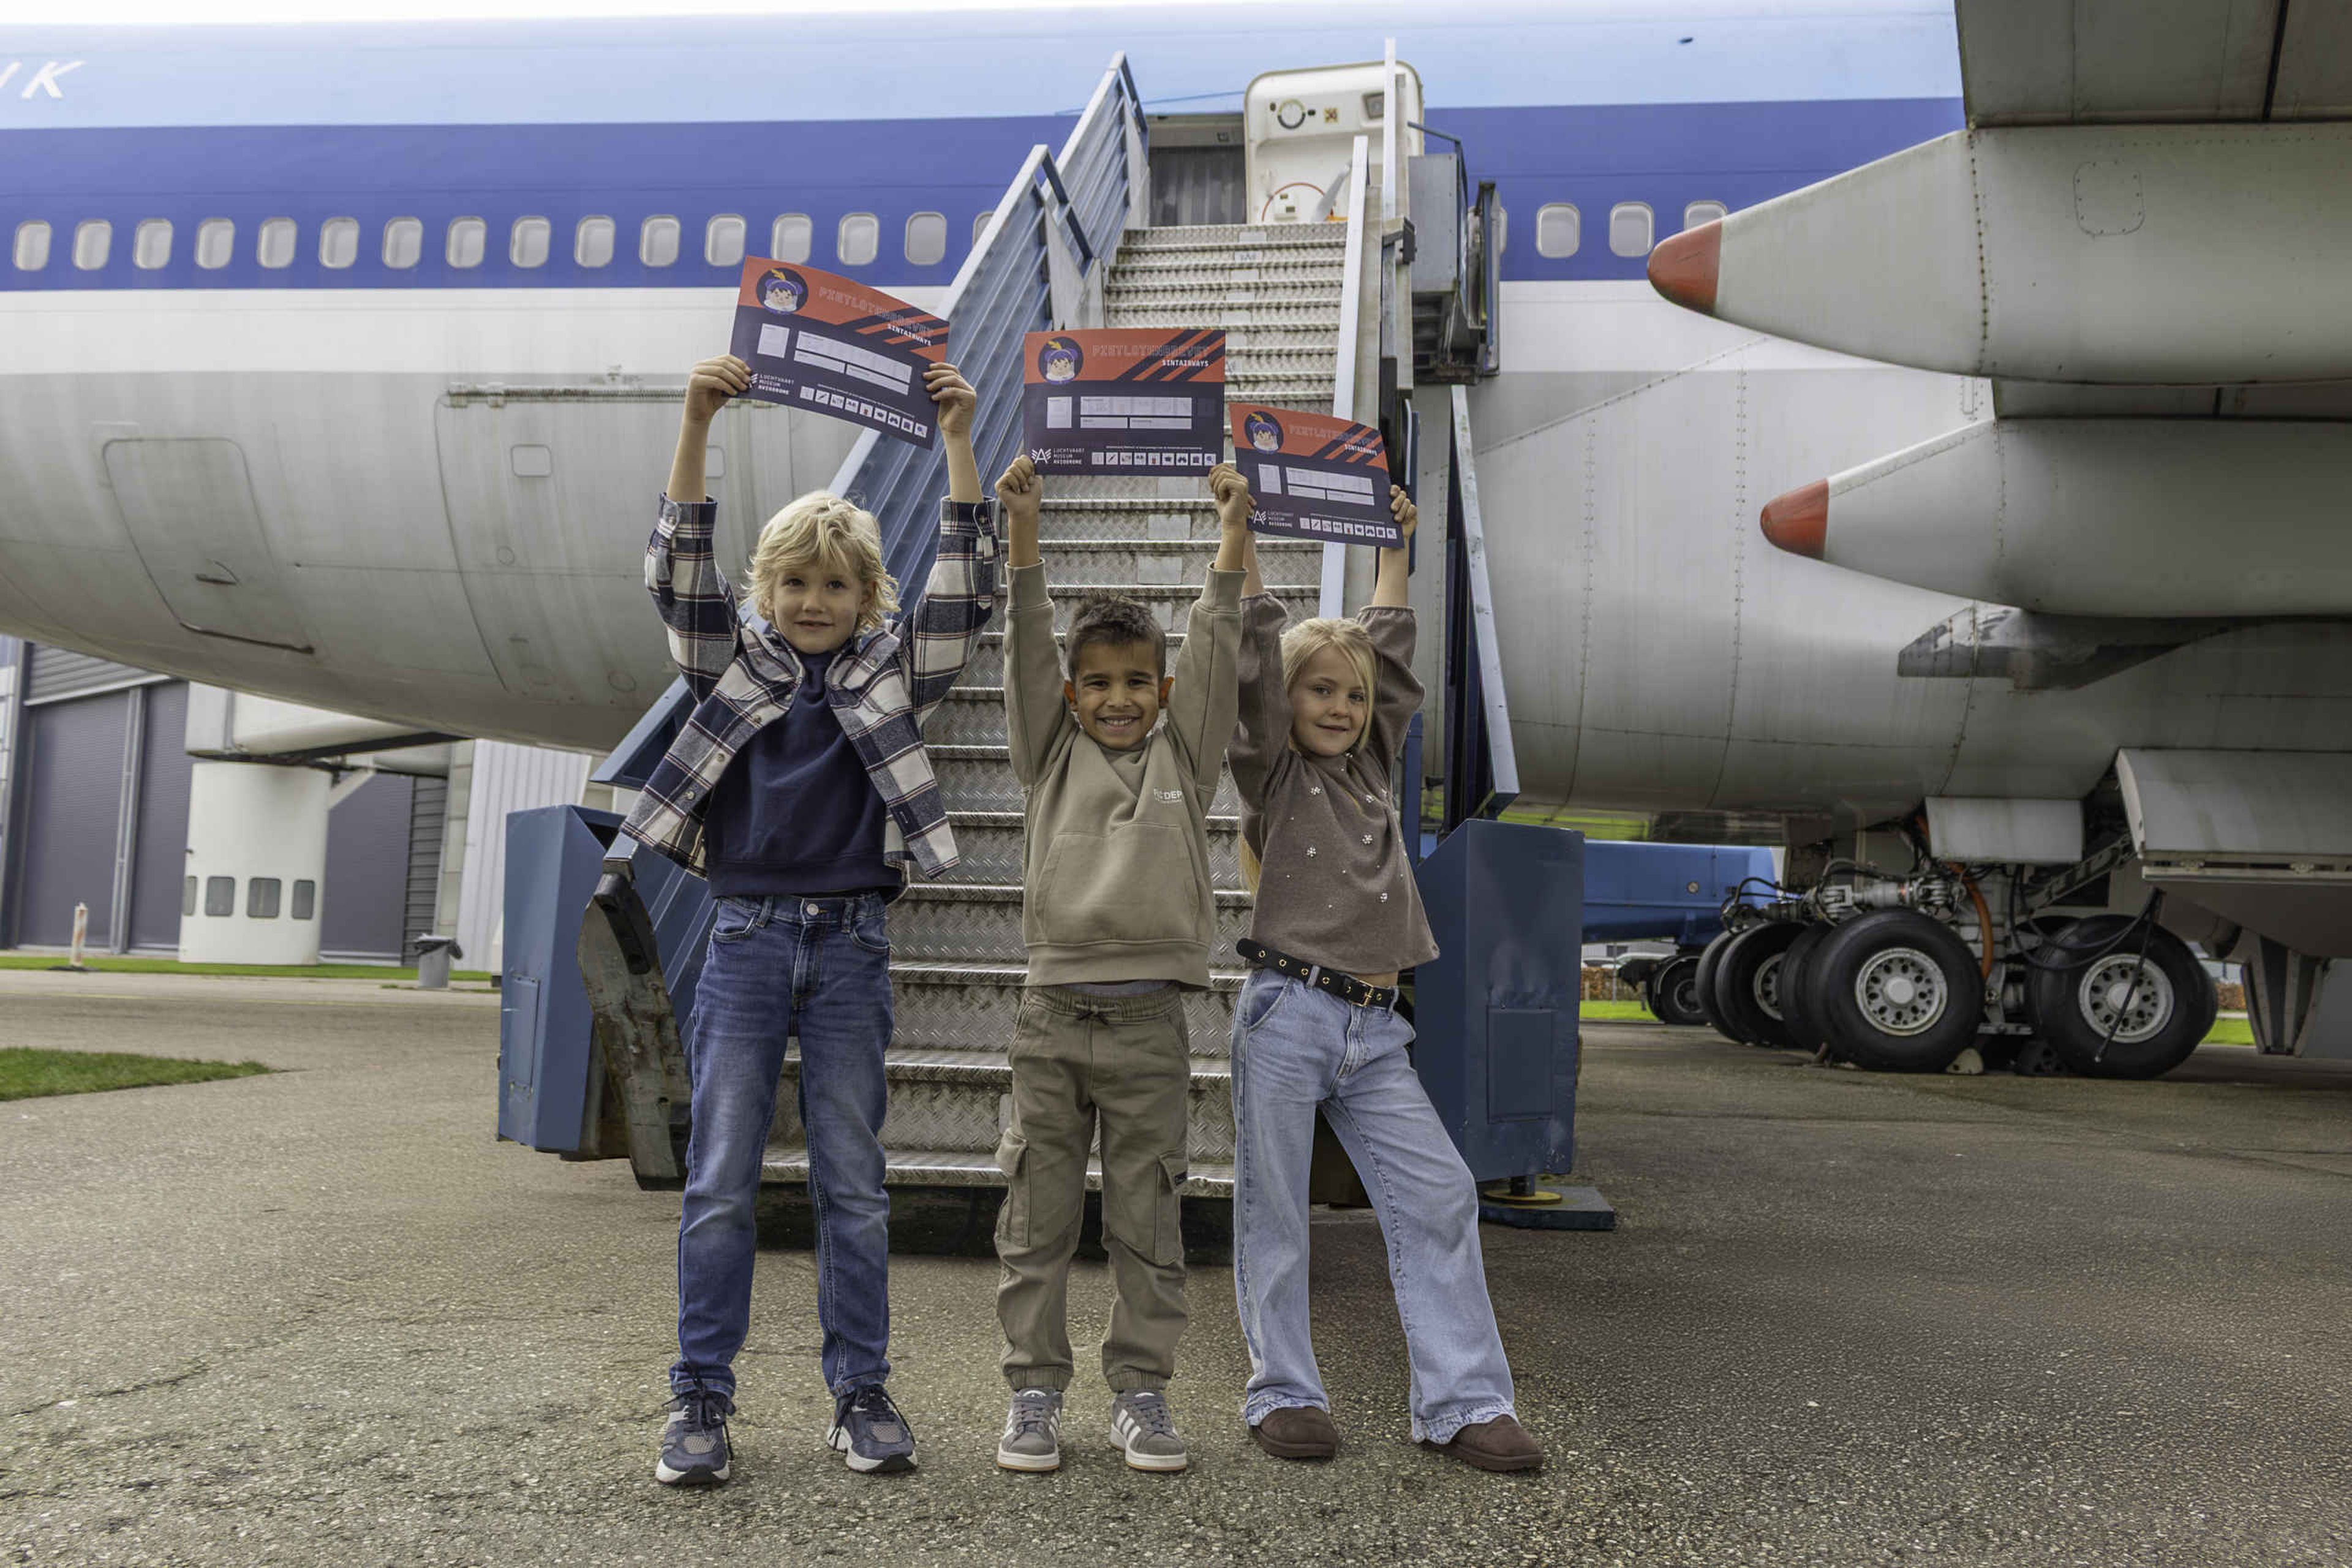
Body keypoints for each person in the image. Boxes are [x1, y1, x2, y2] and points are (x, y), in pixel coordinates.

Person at [621, 352, 998, 1486]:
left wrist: (959, 443)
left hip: (850, 945)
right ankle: (699, 1400)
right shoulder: (730, 665)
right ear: (767, 592)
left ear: (865, 598)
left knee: (851, 1179)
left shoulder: (891, 672)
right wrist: (697, 419)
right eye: (794, 585)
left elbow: (968, 592)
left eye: (835, 587)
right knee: (723, 1176)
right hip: (745, 940)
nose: (814, 603)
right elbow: (677, 574)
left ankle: (860, 1393)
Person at [1224, 485, 1543, 1473]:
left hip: (1374, 1026)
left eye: (1354, 696)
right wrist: (1243, 532)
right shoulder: (1276, 772)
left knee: (1441, 1192)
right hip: (1286, 1011)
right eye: (1320, 691)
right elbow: (1254, 646)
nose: (1342, 707)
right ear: (1289, 704)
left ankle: (1462, 1402)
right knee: (1275, 1209)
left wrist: (1394, 545)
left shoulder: (1371, 769)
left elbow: (1392, 648)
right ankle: (1283, 1389)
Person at [985, 453, 1250, 1474]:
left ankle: (1141, 1391)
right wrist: (1023, 537)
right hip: (1052, 1022)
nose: (1118, 698)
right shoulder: (1048, 750)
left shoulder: (1187, 752)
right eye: (1097, 683)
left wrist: (1232, 533)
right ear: (1073, 691)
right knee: (1036, 1219)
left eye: (1137, 681)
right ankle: (1035, 1396)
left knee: (1148, 1219)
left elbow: (1218, 645)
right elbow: (1024, 652)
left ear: (1163, 688)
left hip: (1149, 1026)